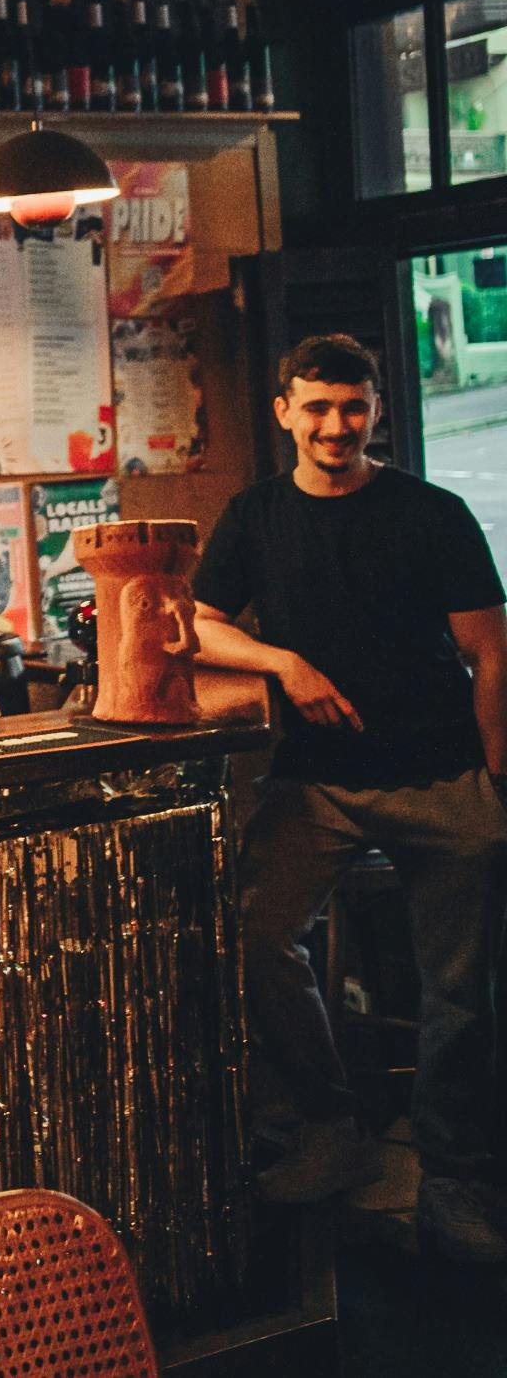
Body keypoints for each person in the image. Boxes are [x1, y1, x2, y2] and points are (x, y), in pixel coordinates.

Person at [191, 333, 507, 1261]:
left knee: (460, 993)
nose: (337, 425)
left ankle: (454, 1180)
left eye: (354, 406)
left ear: (377, 410)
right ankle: (332, 1129)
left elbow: (491, 651)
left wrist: (497, 781)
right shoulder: (254, 517)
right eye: (318, 406)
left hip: (445, 778)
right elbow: (201, 625)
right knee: (251, 934)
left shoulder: (433, 512)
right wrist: (283, 661)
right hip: (317, 784)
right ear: (284, 409)